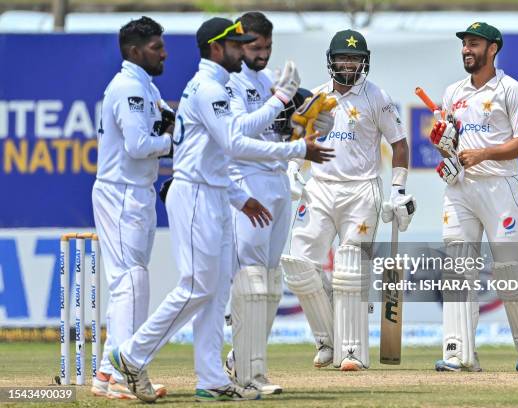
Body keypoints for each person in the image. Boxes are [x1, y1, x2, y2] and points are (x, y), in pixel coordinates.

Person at [109, 17, 333, 403]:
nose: (244, 50)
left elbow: (213, 152)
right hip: (195, 194)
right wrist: (294, 140)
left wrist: (237, 196)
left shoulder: (215, 85)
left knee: (212, 295)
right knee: (197, 286)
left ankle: (211, 376)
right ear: (217, 48)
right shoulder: (210, 87)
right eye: (237, 45)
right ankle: (130, 355)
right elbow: (234, 142)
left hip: (212, 190)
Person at [281, 29, 416, 371]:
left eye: (355, 58)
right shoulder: (315, 96)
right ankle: (328, 337)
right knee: (298, 265)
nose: (349, 64)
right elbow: (300, 136)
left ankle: (352, 350)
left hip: (361, 190)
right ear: (331, 60)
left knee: (351, 269)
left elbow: (399, 143)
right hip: (320, 188)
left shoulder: (376, 96)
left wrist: (398, 188)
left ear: (364, 62)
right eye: (344, 57)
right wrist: (293, 168)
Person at [222, 12, 334, 395]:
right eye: (255, 47)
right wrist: (282, 100)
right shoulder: (232, 82)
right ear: (238, 44)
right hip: (246, 180)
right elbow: (239, 133)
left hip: (276, 180)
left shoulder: (268, 80)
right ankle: (243, 370)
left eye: (268, 46)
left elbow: (292, 127)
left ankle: (250, 366)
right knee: (251, 278)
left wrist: (308, 116)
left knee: (270, 282)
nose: (262, 54)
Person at [430, 22, 518, 372]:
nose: (467, 49)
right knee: (457, 267)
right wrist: (443, 143)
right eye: (465, 44)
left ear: (492, 49)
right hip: (461, 189)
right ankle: (458, 352)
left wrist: (481, 154)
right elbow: (446, 142)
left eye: (474, 43)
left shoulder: (511, 90)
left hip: (501, 187)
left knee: (508, 268)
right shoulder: (453, 92)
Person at [91, 16, 171, 399]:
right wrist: (174, 139)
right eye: (156, 47)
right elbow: (138, 147)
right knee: (131, 283)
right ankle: (117, 373)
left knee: (129, 283)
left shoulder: (144, 86)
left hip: (134, 190)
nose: (164, 53)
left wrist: (165, 129)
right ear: (136, 51)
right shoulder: (129, 88)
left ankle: (109, 372)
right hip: (122, 192)